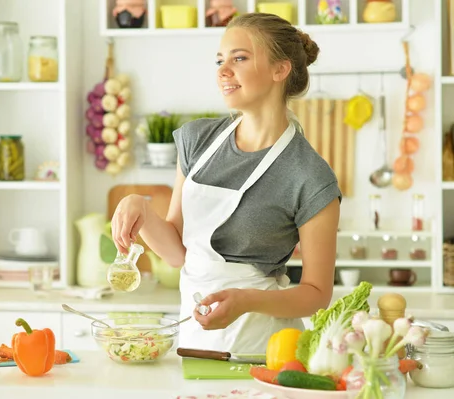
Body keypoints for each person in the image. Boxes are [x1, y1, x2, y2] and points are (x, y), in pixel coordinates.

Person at [110, 12, 341, 354]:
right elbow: (177, 253)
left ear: (280, 70)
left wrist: (246, 301)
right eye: (220, 60)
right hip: (192, 341)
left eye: (239, 58)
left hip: (262, 347)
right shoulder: (197, 141)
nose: (222, 71)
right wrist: (140, 207)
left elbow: (316, 294)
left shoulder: (309, 176)